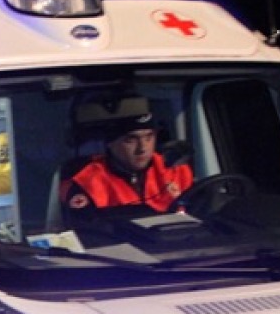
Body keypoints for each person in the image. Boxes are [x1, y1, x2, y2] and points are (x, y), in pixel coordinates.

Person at [59, 96, 193, 227]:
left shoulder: (176, 170)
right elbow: (85, 231)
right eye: (131, 140)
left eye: (149, 137)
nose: (143, 148)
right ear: (111, 143)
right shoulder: (88, 181)